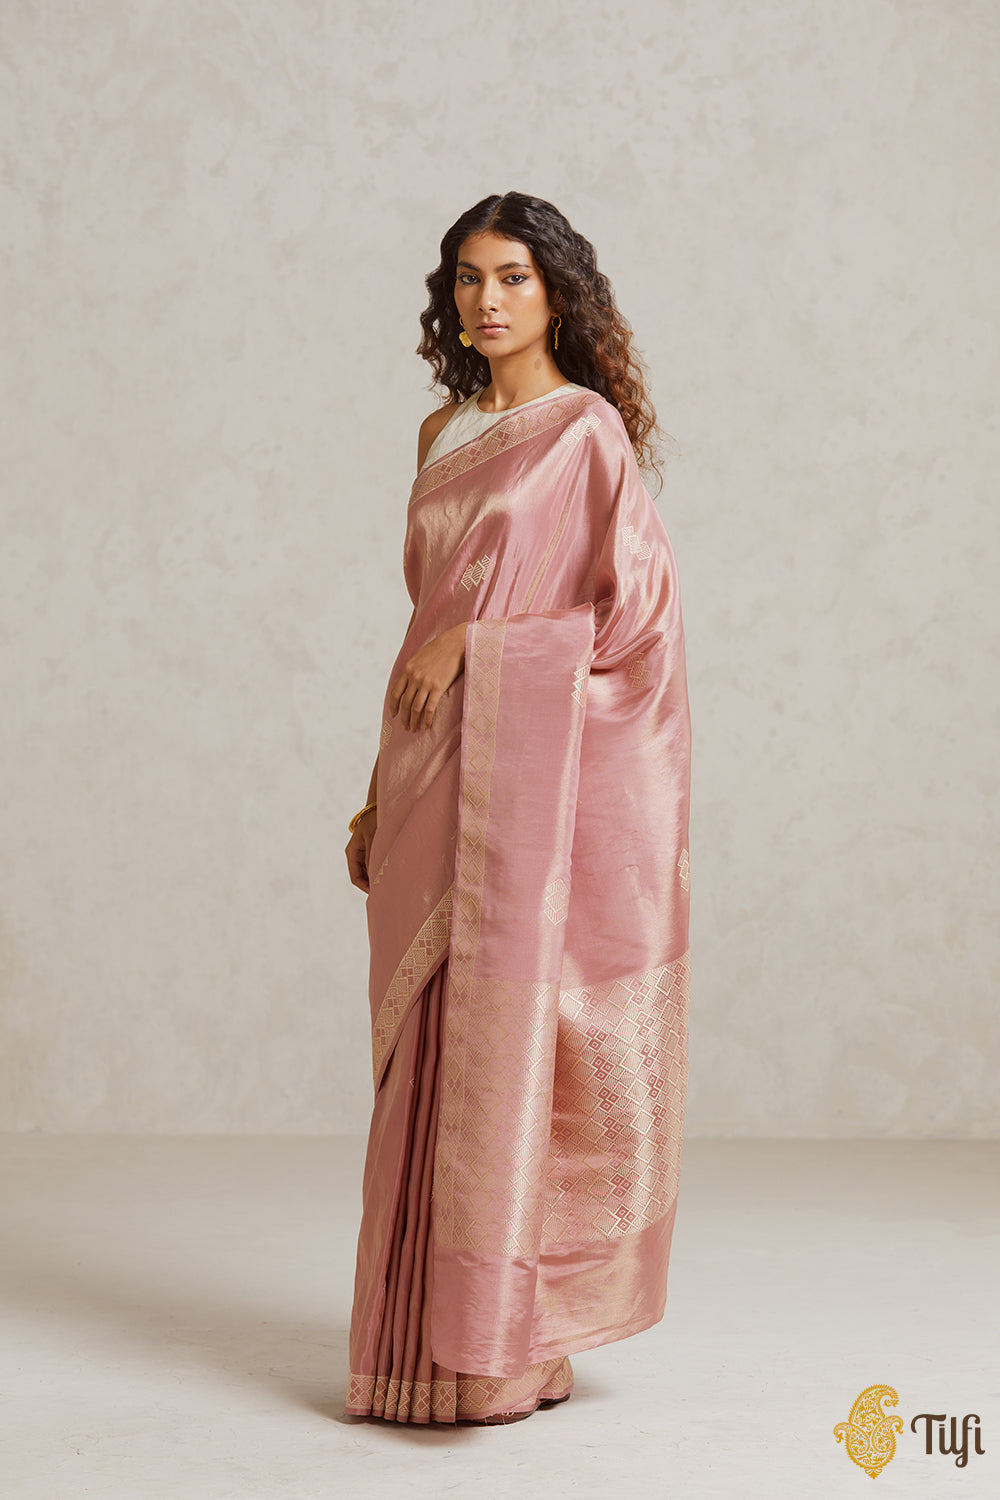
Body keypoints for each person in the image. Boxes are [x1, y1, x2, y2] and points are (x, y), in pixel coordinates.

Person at [343, 191, 691, 1426]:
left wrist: (482, 649)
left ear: (557, 294)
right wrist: (372, 793)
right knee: (420, 1050)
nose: (486, 300)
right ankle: (406, 1349)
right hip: (425, 766)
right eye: (467, 278)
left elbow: (631, 625)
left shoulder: (585, 434)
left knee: (496, 1043)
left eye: (513, 278)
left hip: (518, 777)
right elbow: (423, 623)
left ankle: (493, 1350)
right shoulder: (441, 433)